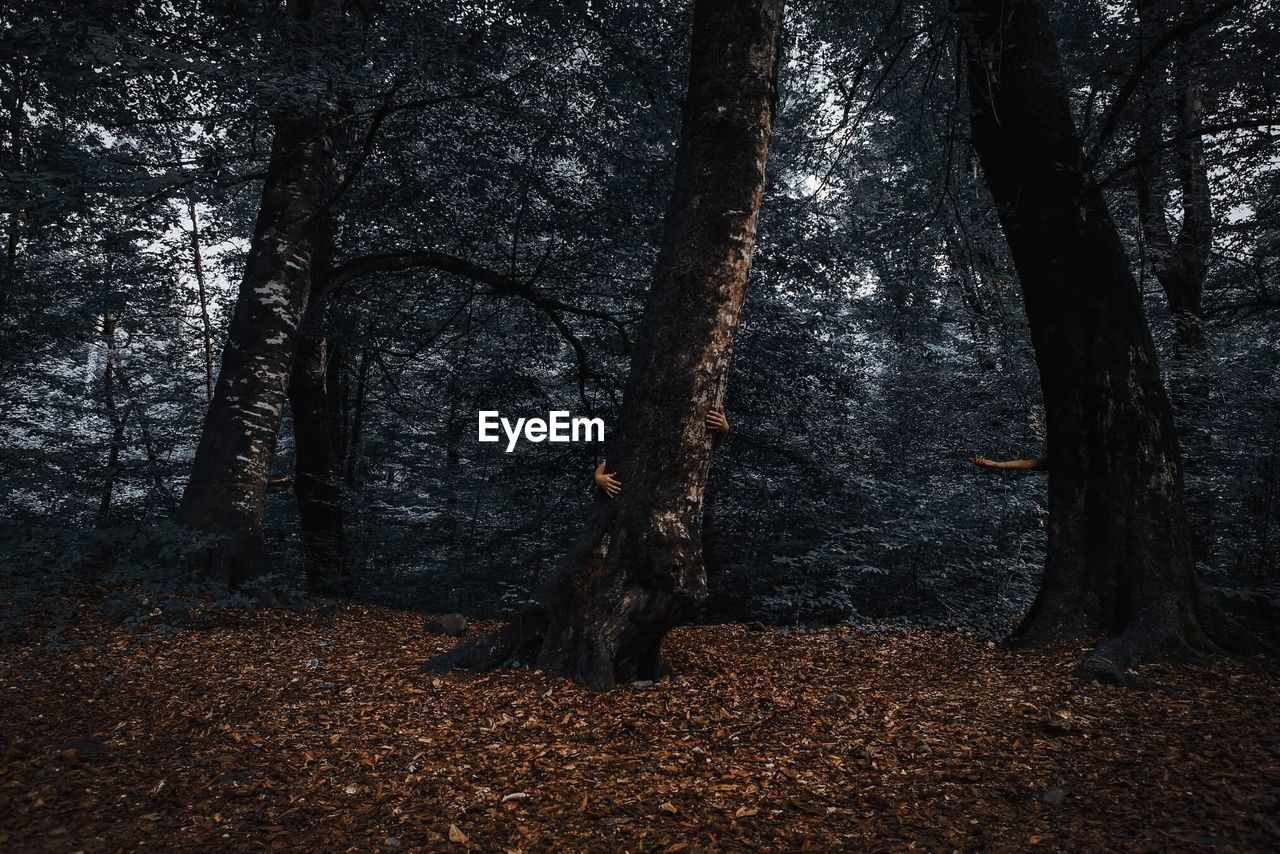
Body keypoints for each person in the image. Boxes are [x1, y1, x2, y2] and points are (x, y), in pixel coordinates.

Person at [593, 408, 730, 497]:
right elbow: (608, 463)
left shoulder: (677, 449)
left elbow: (703, 454)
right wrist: (599, 479)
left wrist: (724, 430)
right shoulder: (640, 447)